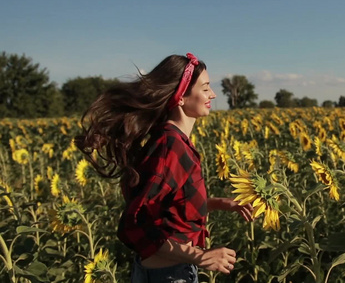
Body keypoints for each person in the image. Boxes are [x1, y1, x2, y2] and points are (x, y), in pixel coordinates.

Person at [75, 53, 254, 282]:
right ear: (180, 97)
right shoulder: (171, 147)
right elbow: (136, 223)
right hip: (168, 275)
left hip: (165, 272)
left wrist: (221, 203)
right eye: (205, 88)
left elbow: (168, 209)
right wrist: (200, 256)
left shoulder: (172, 141)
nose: (213, 94)